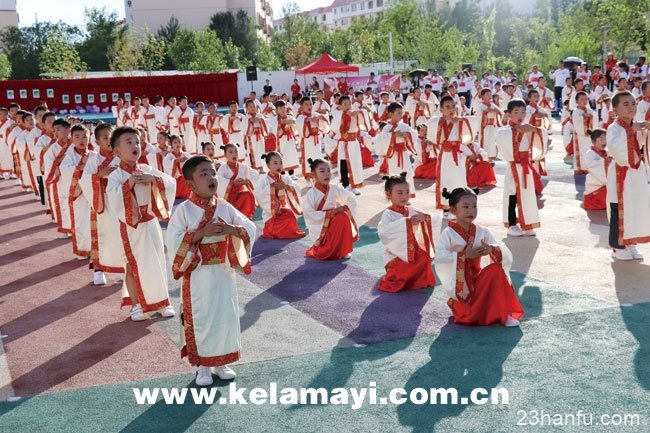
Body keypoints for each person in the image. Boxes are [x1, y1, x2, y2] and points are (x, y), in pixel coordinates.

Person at [166, 155, 255, 386]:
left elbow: (249, 228)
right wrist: (200, 234)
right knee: (202, 317)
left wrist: (231, 229)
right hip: (199, 275)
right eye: (203, 174)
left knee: (225, 316)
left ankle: (221, 362)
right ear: (191, 184)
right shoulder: (184, 211)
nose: (211, 177)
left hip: (224, 273)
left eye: (212, 172)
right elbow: (173, 241)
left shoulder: (224, 206)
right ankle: (203, 366)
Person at [106, 126, 176, 320]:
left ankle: (163, 301)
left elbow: (170, 183)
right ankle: (136, 305)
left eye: (137, 142)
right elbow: (114, 198)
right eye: (128, 142)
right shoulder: (115, 175)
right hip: (131, 227)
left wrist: (153, 179)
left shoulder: (145, 168)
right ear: (117, 150)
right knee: (132, 264)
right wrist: (129, 184)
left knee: (157, 261)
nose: (135, 145)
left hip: (150, 223)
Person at [435, 187, 524, 327]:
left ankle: (503, 314)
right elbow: (440, 259)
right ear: (453, 210)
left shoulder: (482, 232)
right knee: (468, 317)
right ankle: (478, 310)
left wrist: (491, 249)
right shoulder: (448, 234)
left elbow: (502, 250)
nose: (471, 210)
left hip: (478, 282)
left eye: (474, 206)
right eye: (465, 207)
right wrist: (463, 255)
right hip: (461, 287)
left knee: (495, 269)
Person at [78, 123, 123, 285]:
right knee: (101, 236)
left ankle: (119, 268)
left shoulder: (122, 156)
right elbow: (84, 181)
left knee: (118, 236)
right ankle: (98, 269)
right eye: (105, 138)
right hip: (101, 202)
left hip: (118, 202)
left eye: (111, 137)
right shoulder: (94, 159)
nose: (109, 140)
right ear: (97, 142)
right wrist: (98, 175)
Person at [607, 92, 650, 260]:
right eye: (625, 104)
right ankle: (617, 247)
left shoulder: (636, 125)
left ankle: (630, 242)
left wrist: (645, 131)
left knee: (635, 206)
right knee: (619, 208)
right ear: (616, 109)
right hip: (621, 172)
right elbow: (616, 149)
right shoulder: (614, 128)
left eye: (633, 103)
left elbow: (642, 146)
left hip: (636, 172)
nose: (631, 107)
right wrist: (632, 131)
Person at [376, 174, 435, 293]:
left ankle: (418, 281)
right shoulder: (388, 214)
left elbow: (428, 219)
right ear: (389, 194)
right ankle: (405, 279)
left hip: (413, 251)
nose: (404, 196)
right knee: (406, 266)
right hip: (395, 255)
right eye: (399, 192)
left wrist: (424, 218)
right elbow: (384, 232)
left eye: (407, 192)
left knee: (424, 257)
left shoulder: (412, 210)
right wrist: (407, 222)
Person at [497, 99, 547, 237]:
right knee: (512, 194)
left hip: (526, 166)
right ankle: (512, 223)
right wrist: (520, 131)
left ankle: (527, 223)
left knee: (527, 195)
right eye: (516, 112)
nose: (520, 115)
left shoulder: (527, 127)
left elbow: (540, 136)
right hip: (514, 166)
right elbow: (507, 149)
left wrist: (535, 130)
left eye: (523, 112)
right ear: (508, 115)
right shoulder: (504, 131)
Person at [303, 158, 358, 260]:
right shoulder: (311, 193)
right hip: (320, 227)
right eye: (322, 171)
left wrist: (344, 207)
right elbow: (309, 214)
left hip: (334, 222)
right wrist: (329, 214)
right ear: (314, 174)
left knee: (343, 216)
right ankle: (326, 248)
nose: (326, 174)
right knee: (339, 216)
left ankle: (342, 250)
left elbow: (351, 198)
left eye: (328, 171)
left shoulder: (334, 188)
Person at [427, 96, 474, 216]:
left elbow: (472, 123)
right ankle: (446, 208)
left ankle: (458, 206)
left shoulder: (460, 121)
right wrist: (446, 120)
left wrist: (460, 121)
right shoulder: (437, 121)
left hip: (458, 155)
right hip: (446, 155)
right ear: (441, 109)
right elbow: (433, 132)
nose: (451, 109)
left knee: (459, 180)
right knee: (446, 179)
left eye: (453, 106)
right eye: (447, 107)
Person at [59, 124, 93, 260]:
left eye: (85, 136)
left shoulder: (93, 155)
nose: (81, 140)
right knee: (81, 222)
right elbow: (65, 170)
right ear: (71, 139)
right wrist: (81, 167)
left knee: (94, 223)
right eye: (77, 137)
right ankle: (82, 249)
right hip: (79, 194)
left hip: (92, 193)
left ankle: (94, 249)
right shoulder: (69, 156)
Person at [254, 151, 305, 239]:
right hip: (271, 215)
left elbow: (297, 188)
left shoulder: (285, 178)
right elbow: (259, 195)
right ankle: (279, 232)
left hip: (284, 210)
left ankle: (286, 232)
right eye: (275, 163)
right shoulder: (264, 181)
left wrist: (286, 187)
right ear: (268, 165)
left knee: (290, 216)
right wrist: (272, 188)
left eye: (280, 163)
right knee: (280, 223)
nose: (279, 166)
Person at [326, 95, 364, 195]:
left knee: (354, 164)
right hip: (343, 143)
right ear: (340, 106)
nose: (348, 106)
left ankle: (353, 185)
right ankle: (345, 185)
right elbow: (333, 129)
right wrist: (330, 138)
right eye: (345, 104)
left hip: (353, 143)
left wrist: (359, 113)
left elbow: (363, 118)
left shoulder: (354, 113)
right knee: (343, 164)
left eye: (349, 103)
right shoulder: (338, 116)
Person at [379, 102, 417, 196]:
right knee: (394, 173)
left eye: (401, 113)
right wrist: (394, 135)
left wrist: (406, 135)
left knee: (406, 172)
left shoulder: (404, 126)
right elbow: (384, 138)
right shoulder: (387, 128)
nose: (401, 115)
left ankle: (408, 193)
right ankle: (395, 194)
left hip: (403, 153)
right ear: (391, 114)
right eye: (398, 113)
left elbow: (414, 134)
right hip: (393, 154)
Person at [44, 118, 73, 237]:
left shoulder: (75, 144)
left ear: (68, 130)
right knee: (61, 204)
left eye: (58, 129)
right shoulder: (53, 148)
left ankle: (74, 228)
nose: (55, 133)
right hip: (59, 181)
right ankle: (64, 229)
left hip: (74, 180)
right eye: (54, 130)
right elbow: (48, 164)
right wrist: (58, 163)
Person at [216, 143, 259, 218]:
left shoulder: (243, 166)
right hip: (228, 194)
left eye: (236, 152)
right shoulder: (223, 167)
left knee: (248, 195)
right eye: (231, 152)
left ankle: (244, 217)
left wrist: (246, 180)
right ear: (225, 155)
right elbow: (218, 179)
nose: (234, 154)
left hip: (240, 192)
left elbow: (255, 175)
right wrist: (233, 183)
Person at [296, 96, 328, 181]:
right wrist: (308, 120)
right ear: (302, 107)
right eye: (306, 104)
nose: (309, 106)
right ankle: (308, 178)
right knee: (308, 159)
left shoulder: (315, 115)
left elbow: (325, 120)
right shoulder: (301, 118)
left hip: (316, 141)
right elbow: (299, 124)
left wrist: (321, 118)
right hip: (307, 142)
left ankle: (316, 176)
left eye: (310, 104)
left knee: (317, 158)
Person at [269, 100, 300, 179]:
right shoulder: (274, 119)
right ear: (276, 110)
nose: (283, 109)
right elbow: (273, 128)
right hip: (281, 140)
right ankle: (282, 173)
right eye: (280, 108)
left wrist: (292, 122)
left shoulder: (289, 116)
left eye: (284, 107)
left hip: (289, 139)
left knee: (291, 155)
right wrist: (281, 123)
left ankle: (291, 173)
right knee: (282, 155)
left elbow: (295, 124)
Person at [583, 129, 610, 210]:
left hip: (606, 185)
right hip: (595, 187)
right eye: (601, 139)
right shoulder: (590, 154)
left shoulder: (608, 152)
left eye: (605, 139)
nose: (604, 141)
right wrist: (606, 161)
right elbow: (592, 167)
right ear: (593, 141)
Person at [571, 91, 597, 175]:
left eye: (586, 99)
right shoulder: (576, 111)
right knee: (581, 151)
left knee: (588, 150)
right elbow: (577, 123)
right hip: (580, 134)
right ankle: (581, 168)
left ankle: (589, 167)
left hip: (589, 135)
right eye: (582, 99)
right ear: (577, 101)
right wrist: (584, 118)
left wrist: (591, 117)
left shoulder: (590, 110)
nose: (584, 101)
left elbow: (595, 118)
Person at [475, 88, 502, 160]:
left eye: (490, 94)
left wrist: (497, 111)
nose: (489, 96)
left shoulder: (493, 105)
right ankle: (483, 157)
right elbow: (478, 116)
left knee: (491, 142)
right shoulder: (480, 106)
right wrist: (486, 111)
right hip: (484, 127)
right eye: (487, 94)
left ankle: (490, 157)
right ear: (482, 96)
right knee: (485, 141)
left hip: (492, 127)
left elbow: (500, 112)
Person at [163, 135, 192, 199]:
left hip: (184, 179)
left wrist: (187, 160)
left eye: (179, 142)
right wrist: (176, 161)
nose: (177, 144)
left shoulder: (185, 155)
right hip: (175, 179)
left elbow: (193, 162)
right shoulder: (169, 156)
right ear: (171, 144)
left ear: (182, 143)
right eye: (175, 142)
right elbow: (166, 164)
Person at [244, 100, 269, 171]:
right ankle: (253, 167)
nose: (252, 108)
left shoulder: (260, 116)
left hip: (260, 137)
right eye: (250, 106)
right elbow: (243, 127)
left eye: (254, 106)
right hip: (251, 138)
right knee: (252, 152)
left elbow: (266, 124)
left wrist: (261, 121)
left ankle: (261, 167)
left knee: (260, 151)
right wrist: (250, 122)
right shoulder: (246, 118)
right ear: (247, 108)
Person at [0, 108, 14, 179]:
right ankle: (1, 173)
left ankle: (11, 173)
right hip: (0, 143)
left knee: (10, 157)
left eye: (1, 114)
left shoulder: (11, 122)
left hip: (8, 143)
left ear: (6, 114)